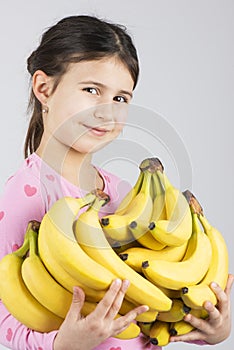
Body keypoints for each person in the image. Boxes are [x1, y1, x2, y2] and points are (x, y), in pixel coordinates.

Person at [0, 15, 233, 350]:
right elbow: (5, 316)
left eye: (121, 98)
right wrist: (60, 344)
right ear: (44, 88)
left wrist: (212, 328)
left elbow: (153, 303)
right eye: (92, 90)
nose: (107, 111)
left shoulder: (126, 194)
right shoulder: (27, 195)